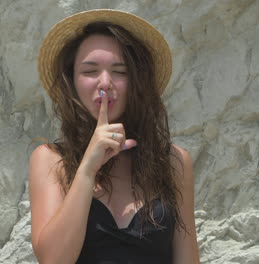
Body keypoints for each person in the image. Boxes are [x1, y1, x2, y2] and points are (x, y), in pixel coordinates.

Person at [29, 9, 200, 264]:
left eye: (120, 71)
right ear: (72, 82)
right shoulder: (52, 160)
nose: (105, 82)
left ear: (138, 82)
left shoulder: (174, 162)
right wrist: (87, 168)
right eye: (90, 71)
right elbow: (53, 260)